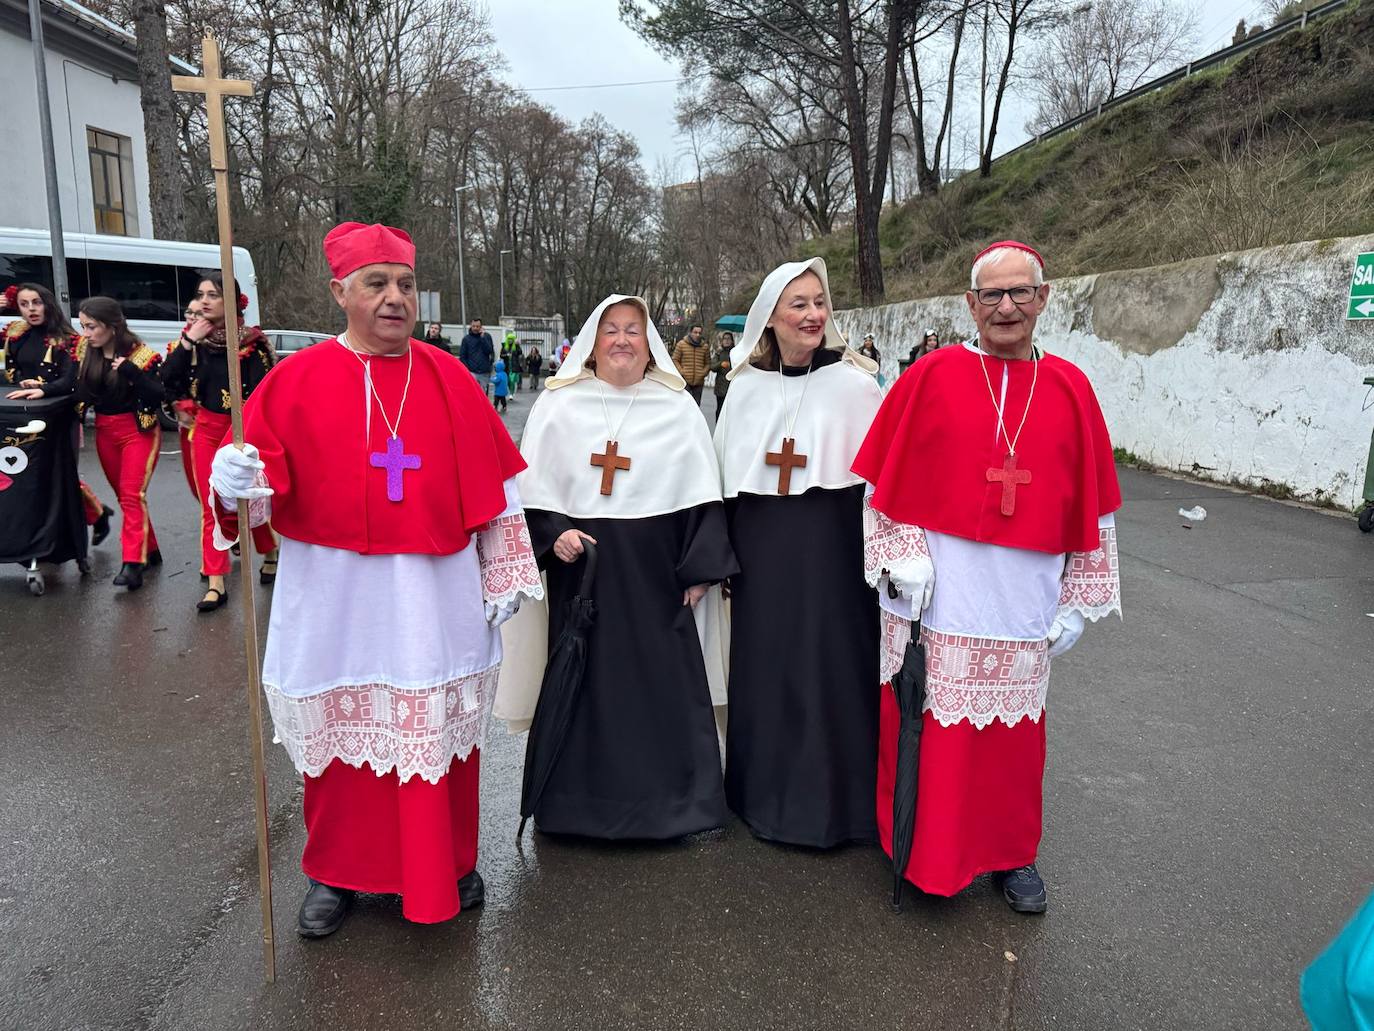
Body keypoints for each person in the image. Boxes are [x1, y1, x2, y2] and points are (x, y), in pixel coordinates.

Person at [207, 221, 541, 936]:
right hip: (335, 597)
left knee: (437, 734)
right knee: (343, 736)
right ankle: (336, 873)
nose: (396, 298)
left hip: (433, 594)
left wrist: (504, 569)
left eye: (406, 284)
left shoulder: (450, 375)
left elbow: (499, 488)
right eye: (376, 283)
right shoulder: (292, 380)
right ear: (340, 292)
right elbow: (254, 500)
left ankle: (449, 861)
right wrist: (232, 480)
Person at [852, 241, 1122, 914]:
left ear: (1044, 297)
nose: (1007, 307)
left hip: (1023, 600)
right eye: (992, 295)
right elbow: (882, 492)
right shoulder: (930, 376)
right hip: (942, 593)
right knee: (932, 728)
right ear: (970, 305)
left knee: (1012, 742)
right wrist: (902, 557)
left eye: (1020, 293)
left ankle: (1012, 854)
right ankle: (925, 850)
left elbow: (1098, 508)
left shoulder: (1070, 387)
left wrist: (1081, 599)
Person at [494, 294, 737, 838]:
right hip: (585, 577)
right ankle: (576, 809)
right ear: (592, 341)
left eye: (634, 330)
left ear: (649, 343)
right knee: (583, 688)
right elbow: (533, 500)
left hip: (656, 580)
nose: (623, 340)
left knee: (658, 689)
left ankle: (672, 808)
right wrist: (555, 538)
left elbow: (703, 497)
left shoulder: (675, 407)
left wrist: (700, 569)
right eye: (611, 330)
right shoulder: (559, 405)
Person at [713, 258, 884, 847]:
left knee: (835, 668)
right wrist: (724, 561)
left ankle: (843, 806)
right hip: (763, 557)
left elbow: (882, 485)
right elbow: (724, 483)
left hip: (837, 555)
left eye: (819, 302)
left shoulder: (858, 387)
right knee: (768, 671)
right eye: (799, 305)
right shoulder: (745, 390)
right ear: (771, 319)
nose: (814, 315)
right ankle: (765, 799)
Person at [160, 273, 279, 612]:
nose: (206, 300)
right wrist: (187, 342)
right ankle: (216, 582)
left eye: (215, 294)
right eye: (202, 294)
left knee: (244, 500)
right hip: (206, 429)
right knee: (211, 503)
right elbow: (168, 379)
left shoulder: (252, 344)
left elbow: (263, 392)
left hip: (242, 431)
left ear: (233, 300)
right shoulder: (193, 340)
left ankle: (269, 549)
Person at [3, 283, 114, 544]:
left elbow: (72, 381)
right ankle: (57, 530)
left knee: (57, 475)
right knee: (28, 476)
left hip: (60, 417)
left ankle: (92, 516)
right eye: (24, 304)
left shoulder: (69, 340)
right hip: (23, 414)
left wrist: (43, 389)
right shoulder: (15, 334)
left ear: (48, 303)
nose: (31, 309)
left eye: (36, 302)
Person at [74, 297, 165, 591]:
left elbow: (157, 394)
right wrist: (41, 390)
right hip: (104, 431)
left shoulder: (141, 355)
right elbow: (74, 389)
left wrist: (130, 372)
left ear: (112, 327)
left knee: (130, 494)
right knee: (126, 495)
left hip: (137, 430)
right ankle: (149, 550)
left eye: (91, 327)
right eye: (83, 326)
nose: (86, 333)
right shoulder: (87, 352)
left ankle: (132, 565)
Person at [671, 324, 710, 406]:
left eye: (699, 333)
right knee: (684, 405)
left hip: (699, 382)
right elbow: (675, 359)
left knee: (696, 406)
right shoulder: (681, 344)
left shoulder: (705, 347)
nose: (697, 335)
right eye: (695, 332)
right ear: (690, 332)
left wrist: (703, 373)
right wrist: (682, 371)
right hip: (685, 381)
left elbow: (708, 363)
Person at [459, 318, 495, 395]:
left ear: (481, 327)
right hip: (471, 372)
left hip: (484, 372)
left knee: (483, 395)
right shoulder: (466, 339)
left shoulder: (487, 337)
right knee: (472, 394)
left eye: (477, 326)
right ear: (471, 326)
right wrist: (467, 369)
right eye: (474, 326)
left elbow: (489, 351)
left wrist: (483, 338)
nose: (475, 328)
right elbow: (462, 356)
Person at [709, 331, 733, 418]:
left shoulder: (735, 352)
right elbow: (712, 367)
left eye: (728, 339)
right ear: (722, 341)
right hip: (721, 386)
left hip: (733, 386)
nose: (726, 341)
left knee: (731, 411)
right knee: (720, 410)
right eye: (725, 339)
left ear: (732, 341)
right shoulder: (719, 353)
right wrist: (720, 364)